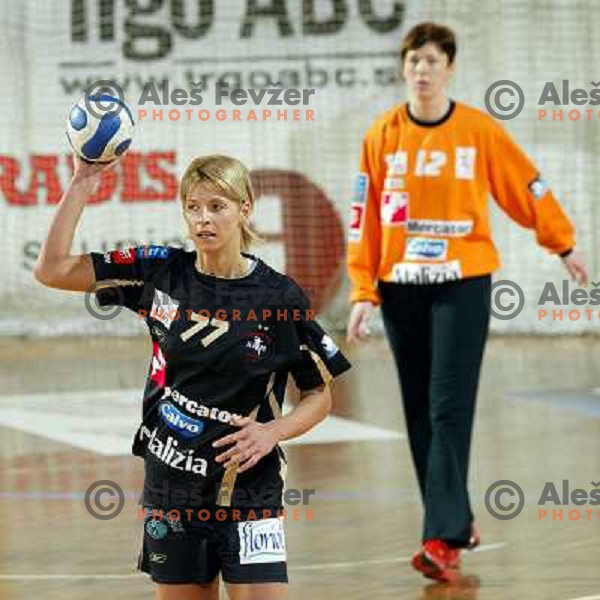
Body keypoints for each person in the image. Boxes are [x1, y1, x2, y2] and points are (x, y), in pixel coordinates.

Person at [34, 153, 351, 600]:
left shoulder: (278, 296)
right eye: (194, 207)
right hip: (172, 488)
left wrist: (272, 433)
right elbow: (51, 270)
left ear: (245, 208)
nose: (204, 218)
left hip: (249, 493)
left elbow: (319, 393)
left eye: (217, 206)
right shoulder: (161, 272)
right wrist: (82, 184)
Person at [346, 22, 588, 583]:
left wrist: (563, 244)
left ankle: (439, 539)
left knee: (448, 406)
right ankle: (456, 524)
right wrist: (364, 291)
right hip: (402, 286)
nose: (421, 71)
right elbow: (365, 219)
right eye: (413, 61)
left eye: (431, 61)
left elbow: (525, 186)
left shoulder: (478, 131)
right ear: (403, 69)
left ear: (450, 68)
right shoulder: (382, 135)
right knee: (417, 411)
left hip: (463, 284)